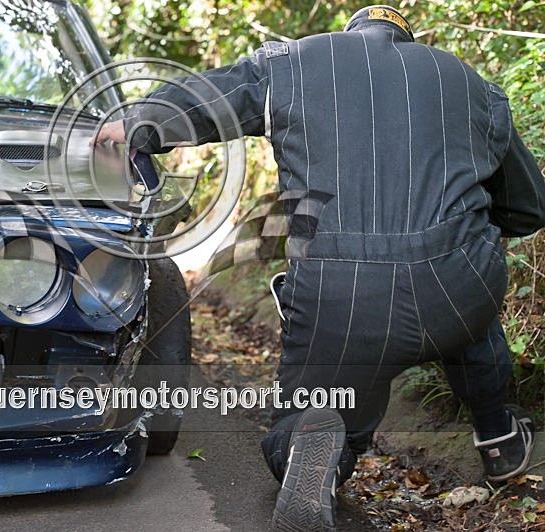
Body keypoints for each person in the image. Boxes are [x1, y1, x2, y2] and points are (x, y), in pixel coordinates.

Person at [94, 5, 545, 530]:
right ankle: (498, 438)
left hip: (342, 296)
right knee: (474, 297)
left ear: (351, 34)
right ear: (408, 39)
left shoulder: (294, 62)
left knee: (317, 406)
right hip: (456, 285)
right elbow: (528, 208)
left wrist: (138, 124)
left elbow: (207, 100)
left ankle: (320, 447)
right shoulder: (471, 83)